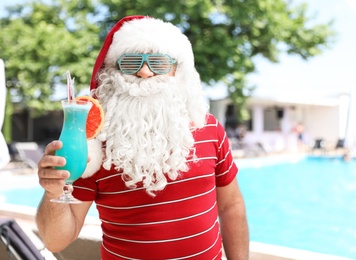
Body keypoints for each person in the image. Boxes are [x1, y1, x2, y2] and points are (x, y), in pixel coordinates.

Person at [36, 15, 249, 259]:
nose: (145, 72)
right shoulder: (92, 146)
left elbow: (231, 205)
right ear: (112, 70)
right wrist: (52, 193)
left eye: (158, 62)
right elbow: (55, 240)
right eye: (131, 62)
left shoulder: (210, 128)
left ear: (177, 72)